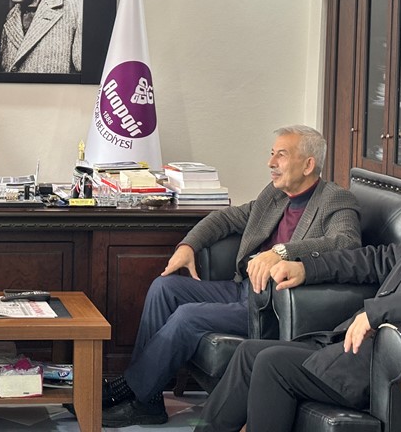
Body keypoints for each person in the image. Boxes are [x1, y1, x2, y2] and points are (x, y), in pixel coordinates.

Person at [101, 125, 362, 427]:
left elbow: (347, 244)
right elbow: (226, 218)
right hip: (242, 289)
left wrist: (283, 252)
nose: (271, 162)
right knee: (165, 287)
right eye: (271, 153)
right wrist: (188, 245)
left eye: (281, 155)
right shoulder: (275, 195)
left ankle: (131, 390)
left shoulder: (336, 199)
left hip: (272, 307)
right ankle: (147, 399)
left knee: (188, 317)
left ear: (308, 164)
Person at [196, 233, 401, 432]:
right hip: (348, 348)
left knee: (272, 363)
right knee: (248, 353)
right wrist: (306, 268)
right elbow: (373, 259)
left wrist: (379, 311)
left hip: (375, 365)